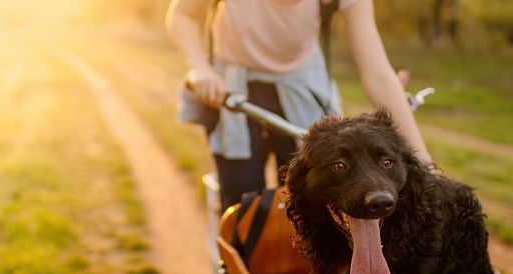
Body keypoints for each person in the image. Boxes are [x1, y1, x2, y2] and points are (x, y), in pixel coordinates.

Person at [166, 0, 434, 211]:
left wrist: (425, 168)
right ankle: (238, 270)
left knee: (314, 199)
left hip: (301, 88)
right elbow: (182, 15)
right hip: (233, 88)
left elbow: (378, 74)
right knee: (244, 202)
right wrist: (200, 69)